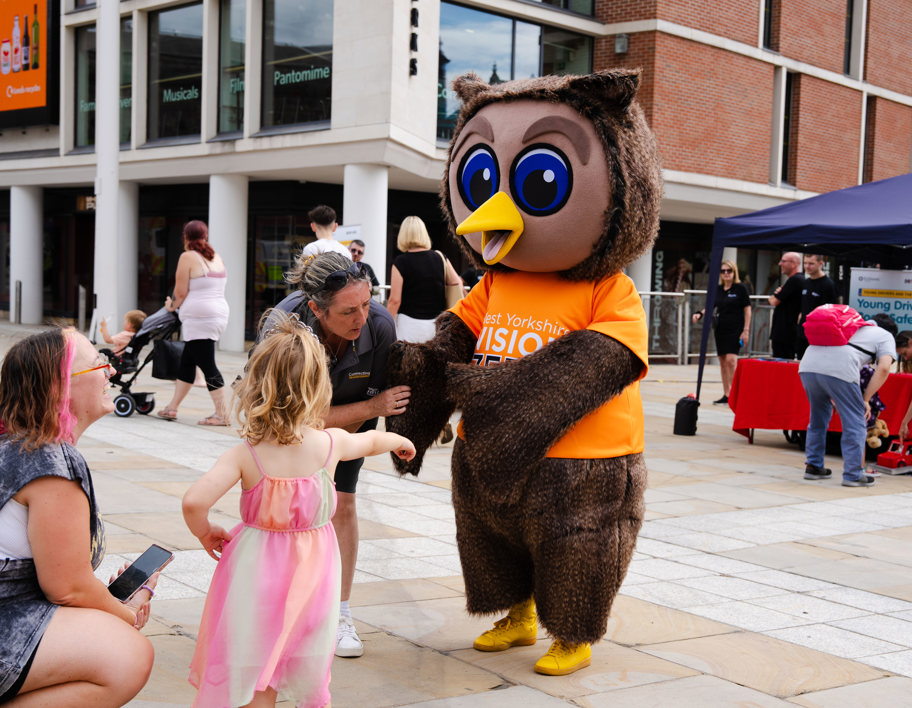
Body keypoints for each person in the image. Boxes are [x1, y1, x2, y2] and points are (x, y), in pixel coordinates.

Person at [183, 311, 415, 708]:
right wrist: (398, 441)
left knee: (257, 659)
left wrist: (205, 530)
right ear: (318, 388)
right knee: (304, 651)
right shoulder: (331, 443)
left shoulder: (245, 454)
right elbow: (370, 443)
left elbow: (193, 501)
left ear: (258, 386)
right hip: (313, 576)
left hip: (255, 572)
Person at [0, 328, 156, 705]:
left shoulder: (17, 443)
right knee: (128, 655)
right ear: (60, 388)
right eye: (98, 365)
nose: (111, 373)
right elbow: (66, 587)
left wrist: (103, 598)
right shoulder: (48, 458)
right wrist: (125, 614)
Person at [268, 250, 408, 658]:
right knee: (288, 512)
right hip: (285, 430)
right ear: (316, 308)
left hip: (347, 426)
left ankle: (340, 612)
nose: (360, 318)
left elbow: (390, 399)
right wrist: (369, 408)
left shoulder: (380, 327)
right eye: (348, 311)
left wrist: (380, 427)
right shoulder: (284, 327)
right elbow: (291, 419)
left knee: (341, 503)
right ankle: (285, 612)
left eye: (365, 304)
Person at [798, 320, 897, 487]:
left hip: (808, 365)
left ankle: (813, 467)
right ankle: (853, 474)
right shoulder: (885, 336)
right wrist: (865, 399)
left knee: (817, 419)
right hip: (839, 368)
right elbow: (884, 368)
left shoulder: (849, 327)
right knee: (856, 422)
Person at [158, 220, 230, 426]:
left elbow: (180, 292)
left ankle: (222, 414)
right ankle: (172, 407)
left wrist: (171, 305)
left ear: (185, 237)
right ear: (205, 236)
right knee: (188, 361)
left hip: (199, 317)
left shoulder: (188, 256)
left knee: (207, 364)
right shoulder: (216, 257)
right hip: (217, 313)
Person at [386, 215, 463, 343]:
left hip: (409, 325)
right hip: (436, 323)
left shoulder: (400, 262)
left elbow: (394, 300)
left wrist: (386, 324)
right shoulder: (440, 257)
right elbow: (456, 282)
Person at [692, 260, 750, 405]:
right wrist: (700, 313)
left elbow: (747, 309)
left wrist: (746, 330)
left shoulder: (740, 288)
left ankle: (737, 394)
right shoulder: (718, 289)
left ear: (734, 272)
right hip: (720, 329)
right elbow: (711, 306)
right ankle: (727, 394)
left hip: (735, 329)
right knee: (723, 362)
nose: (726, 273)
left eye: (729, 271)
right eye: (723, 271)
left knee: (732, 360)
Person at [795, 254, 838, 358]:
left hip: (818, 334)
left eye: (811, 264)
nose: (807, 266)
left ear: (820, 264)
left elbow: (830, 311)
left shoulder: (827, 284)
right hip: (803, 331)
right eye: (805, 263)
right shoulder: (806, 283)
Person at [768, 251, 803, 359]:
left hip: (785, 333)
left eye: (783, 261)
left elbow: (774, 301)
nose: (780, 264)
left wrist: (774, 295)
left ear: (794, 264)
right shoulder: (796, 280)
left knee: (782, 363)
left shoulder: (795, 280)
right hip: (785, 332)